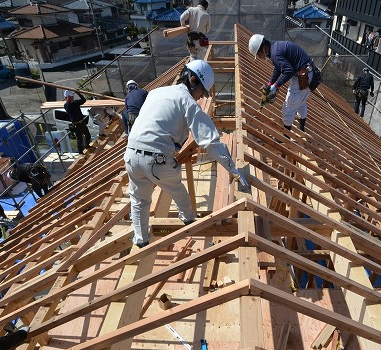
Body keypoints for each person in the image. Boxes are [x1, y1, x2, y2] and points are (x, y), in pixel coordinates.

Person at [125, 59, 248, 248]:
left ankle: (141, 241)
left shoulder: (157, 92)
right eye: (201, 92)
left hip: (131, 155)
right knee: (179, 192)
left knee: (139, 200)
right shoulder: (187, 101)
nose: (200, 97)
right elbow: (210, 142)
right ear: (193, 80)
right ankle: (190, 223)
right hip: (156, 159)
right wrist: (233, 170)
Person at [248, 34, 322, 132]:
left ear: (263, 48)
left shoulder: (275, 54)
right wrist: (270, 84)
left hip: (302, 76)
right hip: (308, 73)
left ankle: (286, 138)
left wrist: (275, 86)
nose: (260, 57)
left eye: (258, 55)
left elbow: (288, 71)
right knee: (301, 103)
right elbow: (278, 68)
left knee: (288, 108)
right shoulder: (276, 48)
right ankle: (302, 129)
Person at [63, 90, 91, 154]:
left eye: (72, 97)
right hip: (76, 125)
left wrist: (78, 93)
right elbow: (69, 109)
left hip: (82, 122)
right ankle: (80, 151)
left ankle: (87, 145)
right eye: (71, 98)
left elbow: (83, 100)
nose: (72, 99)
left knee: (88, 135)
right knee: (79, 139)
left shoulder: (76, 102)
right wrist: (69, 101)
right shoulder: (67, 105)